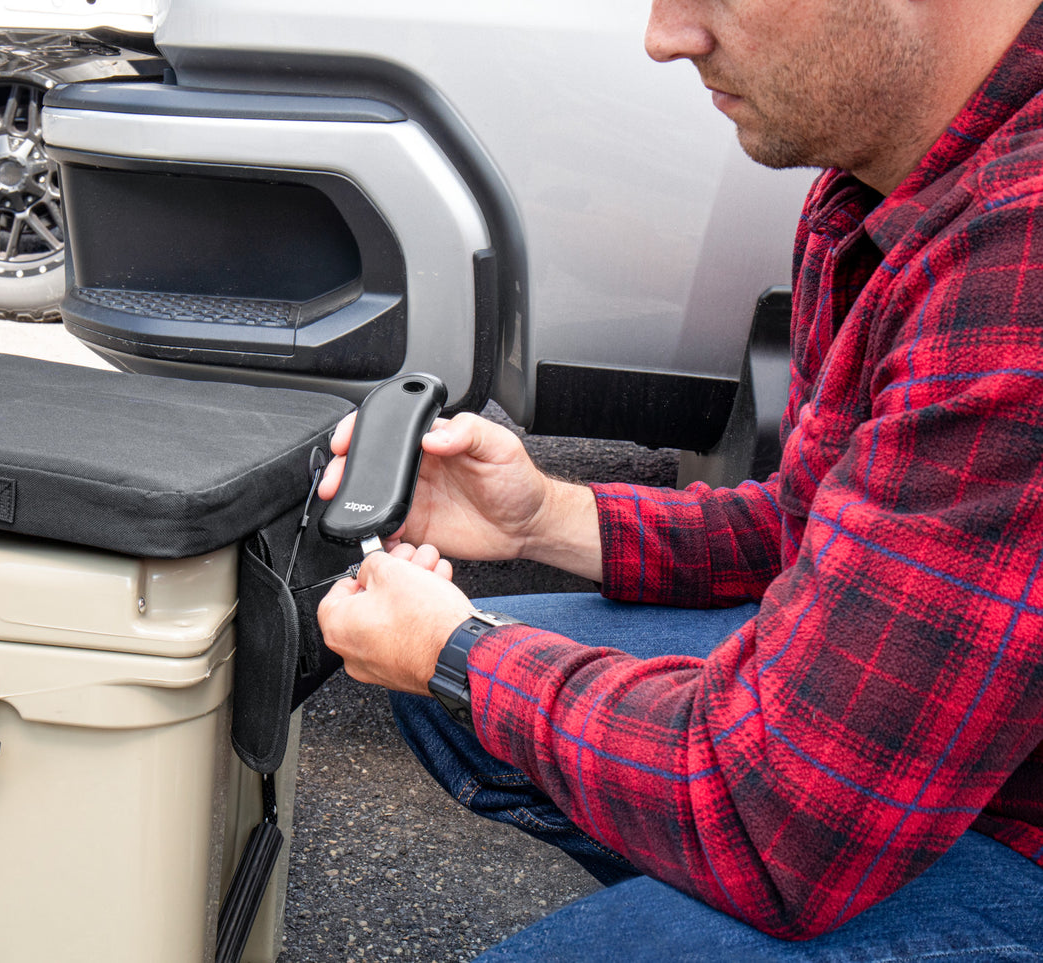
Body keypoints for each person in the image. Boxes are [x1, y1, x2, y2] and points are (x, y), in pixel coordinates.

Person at [315, 0, 1043, 957]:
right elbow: (814, 519)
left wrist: (456, 652)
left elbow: (775, 820)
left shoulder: (1016, 266)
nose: (665, 36)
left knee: (484, 686)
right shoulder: (883, 177)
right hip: (969, 747)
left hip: (1001, 825)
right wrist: (544, 516)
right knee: (475, 694)